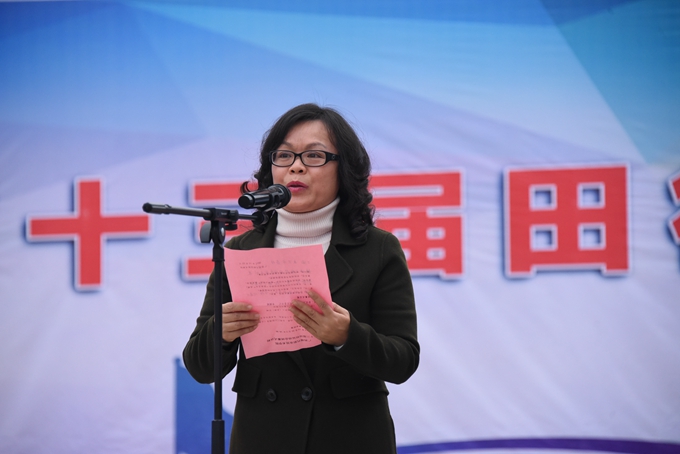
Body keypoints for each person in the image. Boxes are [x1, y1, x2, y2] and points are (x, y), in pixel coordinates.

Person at [183, 103, 419, 454]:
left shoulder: (378, 249)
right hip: (263, 439)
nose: (296, 166)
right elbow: (199, 367)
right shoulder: (241, 250)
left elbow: (403, 360)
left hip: (349, 439)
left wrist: (347, 336)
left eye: (314, 156)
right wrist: (222, 332)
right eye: (284, 156)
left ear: (344, 169)